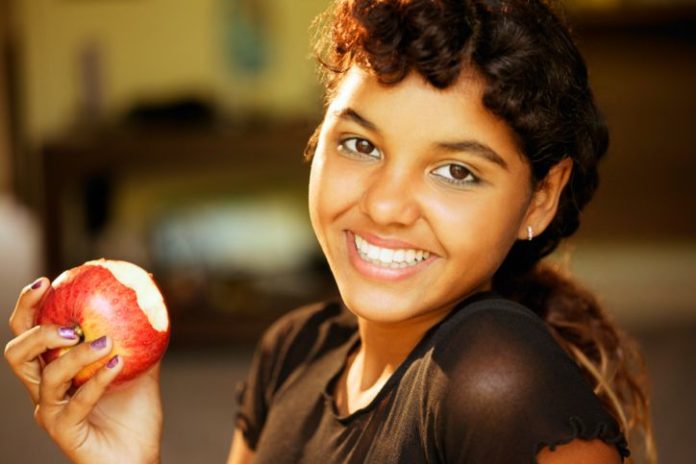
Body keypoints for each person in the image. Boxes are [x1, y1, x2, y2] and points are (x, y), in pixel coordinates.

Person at [4, 0, 656, 463]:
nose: (386, 205)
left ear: (541, 197)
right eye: (361, 145)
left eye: (456, 170)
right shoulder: (291, 352)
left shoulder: (493, 376)